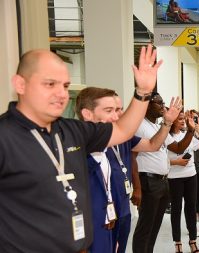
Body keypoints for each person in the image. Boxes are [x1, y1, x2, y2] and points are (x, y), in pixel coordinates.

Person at [0, 45, 162, 252]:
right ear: (20, 84)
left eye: (65, 86)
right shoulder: (5, 137)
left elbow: (122, 130)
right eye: (50, 84)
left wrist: (143, 92)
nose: (61, 94)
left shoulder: (73, 131)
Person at [74, 88, 182, 253]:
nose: (118, 115)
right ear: (88, 114)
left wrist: (167, 123)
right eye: (110, 110)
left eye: (120, 109)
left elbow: (152, 145)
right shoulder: (79, 144)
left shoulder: (122, 136)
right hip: (97, 215)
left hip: (121, 208)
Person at [132, 93, 196, 253]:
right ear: (146, 105)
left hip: (162, 182)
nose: (162, 106)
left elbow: (178, 147)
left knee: (154, 227)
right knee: (145, 228)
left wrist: (191, 131)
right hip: (147, 181)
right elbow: (131, 157)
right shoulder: (140, 125)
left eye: (163, 102)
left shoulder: (158, 127)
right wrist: (137, 188)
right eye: (158, 103)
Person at [168, 111, 199, 253]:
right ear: (172, 121)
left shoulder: (188, 134)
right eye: (179, 119)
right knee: (176, 209)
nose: (182, 121)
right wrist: (176, 162)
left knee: (191, 208)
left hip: (191, 175)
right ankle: (177, 243)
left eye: (183, 119)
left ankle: (193, 242)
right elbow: (163, 158)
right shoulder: (167, 136)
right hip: (174, 178)